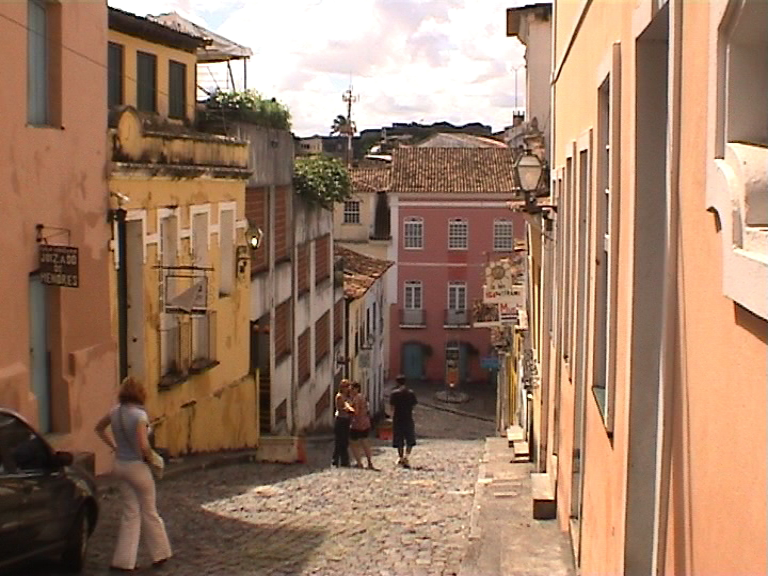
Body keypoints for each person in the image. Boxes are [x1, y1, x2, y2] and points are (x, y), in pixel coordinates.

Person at [95, 377, 172, 572]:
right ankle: (160, 552)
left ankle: (123, 561)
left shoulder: (115, 412)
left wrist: (113, 446)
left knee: (130, 512)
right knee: (149, 510)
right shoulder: (139, 416)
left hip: (120, 464)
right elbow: (143, 445)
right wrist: (152, 459)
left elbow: (99, 428)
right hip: (137, 467)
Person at [389, 374, 418, 468]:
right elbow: (414, 405)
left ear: (397, 382)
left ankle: (401, 457)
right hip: (408, 418)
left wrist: (392, 417)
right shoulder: (410, 393)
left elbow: (392, 407)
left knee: (399, 439)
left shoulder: (394, 393)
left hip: (398, 418)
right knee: (410, 438)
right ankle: (406, 457)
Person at [349, 381, 375, 469]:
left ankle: (359, 463)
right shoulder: (363, 397)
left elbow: (356, 412)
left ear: (356, 389)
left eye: (352, 388)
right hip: (365, 422)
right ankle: (369, 462)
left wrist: (348, 408)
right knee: (365, 442)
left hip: (357, 423)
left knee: (354, 443)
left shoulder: (356, 398)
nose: (350, 390)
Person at [331, 379, 355, 467]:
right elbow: (342, 407)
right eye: (345, 386)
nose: (347, 388)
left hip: (346, 419)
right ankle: (336, 460)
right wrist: (350, 410)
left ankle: (344, 460)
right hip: (340, 419)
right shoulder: (339, 396)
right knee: (339, 441)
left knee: (345, 441)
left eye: (348, 386)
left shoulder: (348, 396)